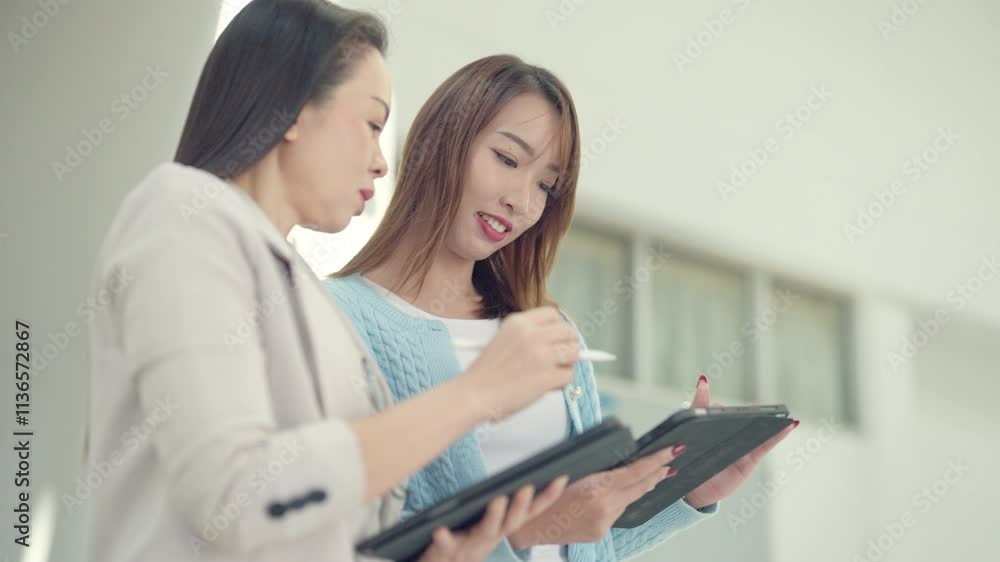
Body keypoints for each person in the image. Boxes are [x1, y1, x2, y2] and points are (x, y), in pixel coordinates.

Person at [83, 3, 574, 562]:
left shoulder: (311, 300)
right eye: (372, 125)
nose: (381, 163)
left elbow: (316, 524)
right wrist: (473, 395)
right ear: (294, 109)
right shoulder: (183, 214)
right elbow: (235, 496)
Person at [325, 54, 798, 561]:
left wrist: (685, 495)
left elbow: (582, 542)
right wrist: (527, 530)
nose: (523, 202)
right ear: (441, 142)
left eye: (545, 186)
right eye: (508, 159)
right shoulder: (333, 318)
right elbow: (336, 541)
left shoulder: (549, 331)